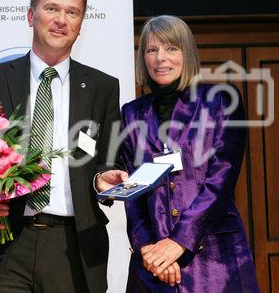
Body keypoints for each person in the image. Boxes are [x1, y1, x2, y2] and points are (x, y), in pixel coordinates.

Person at [0, 0, 127, 293]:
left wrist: (103, 180)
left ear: (81, 24)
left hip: (72, 248)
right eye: (51, 8)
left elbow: (106, 160)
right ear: (30, 14)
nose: (61, 19)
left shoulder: (102, 88)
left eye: (72, 12)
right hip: (4, 244)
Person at [101, 15, 259, 292]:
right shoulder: (131, 113)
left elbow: (220, 182)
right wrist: (149, 249)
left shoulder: (222, 101)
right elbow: (134, 195)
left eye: (171, 48)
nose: (160, 58)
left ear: (187, 53)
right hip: (152, 266)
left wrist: (178, 242)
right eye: (152, 50)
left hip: (214, 261)